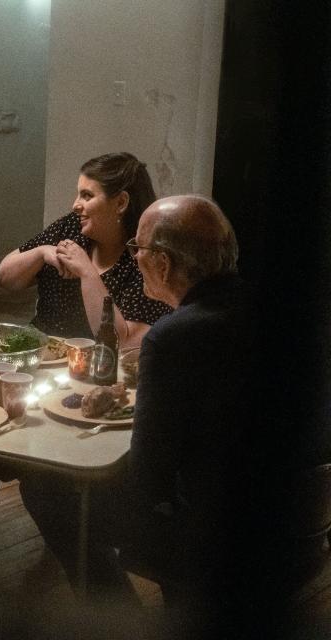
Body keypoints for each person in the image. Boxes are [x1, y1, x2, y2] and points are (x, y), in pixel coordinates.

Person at [19, 196, 270, 633]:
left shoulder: (176, 337)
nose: (134, 258)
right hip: (286, 522)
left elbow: (149, 476)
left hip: (206, 531)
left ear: (165, 263)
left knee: (45, 487)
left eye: (139, 248)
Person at [0, 152, 171, 346]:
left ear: (121, 203)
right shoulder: (72, 227)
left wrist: (87, 272)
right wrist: (42, 252)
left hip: (98, 368)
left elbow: (123, 342)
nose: (75, 205)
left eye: (87, 196)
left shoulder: (144, 258)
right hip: (41, 355)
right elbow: (4, 279)